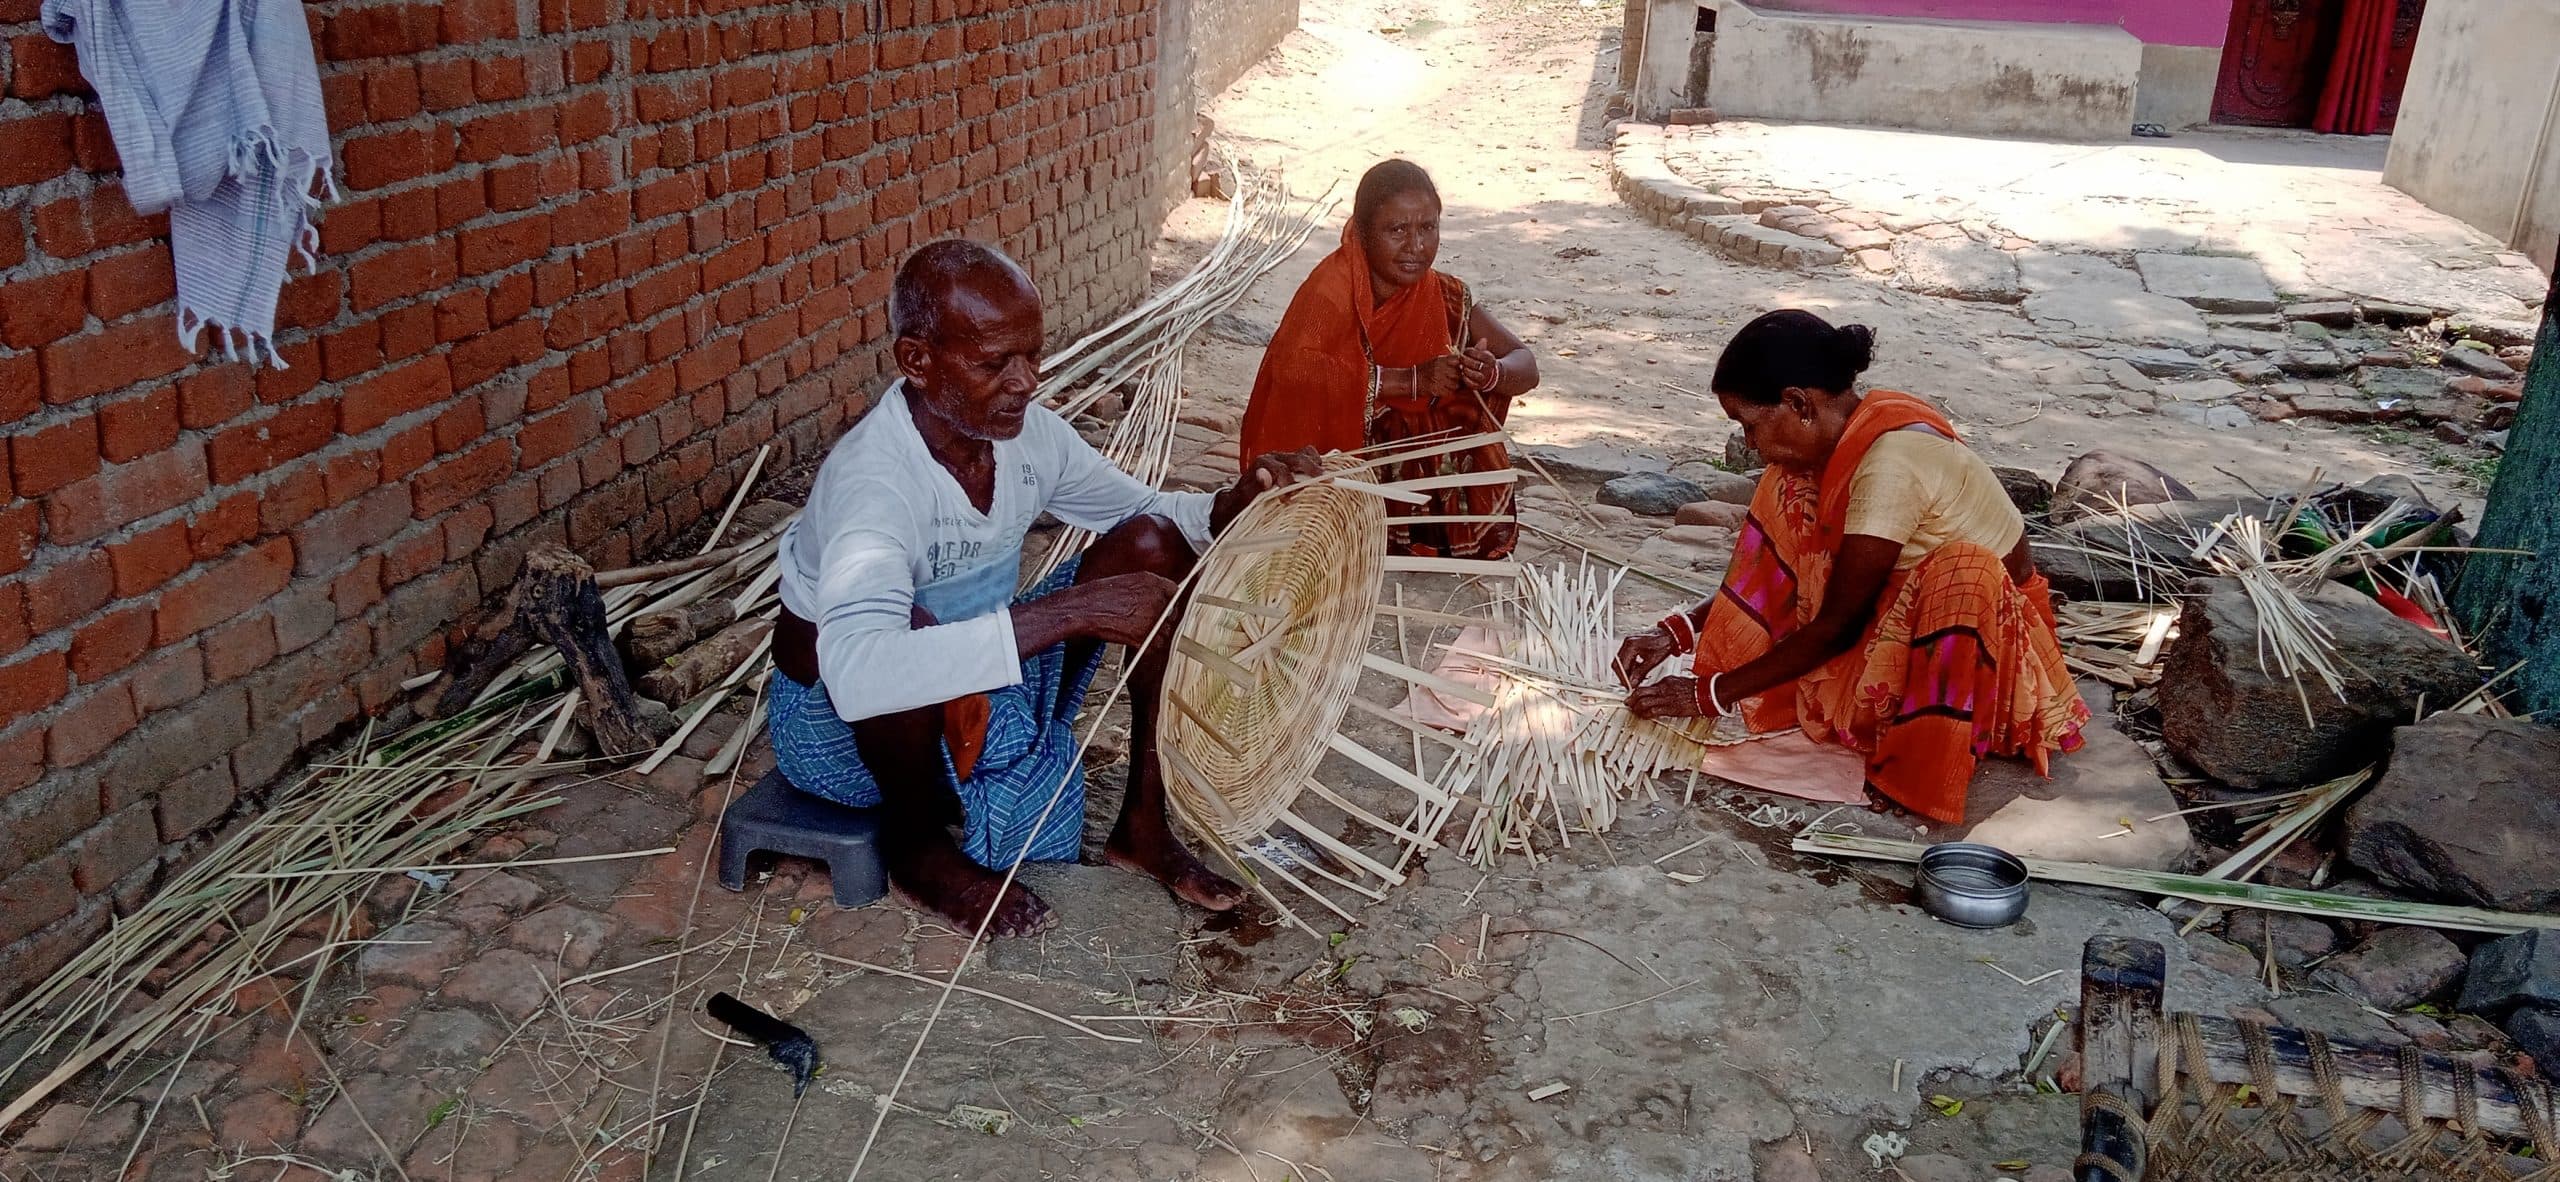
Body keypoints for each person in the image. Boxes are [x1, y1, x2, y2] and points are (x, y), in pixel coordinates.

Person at [770, 240, 1320, 936]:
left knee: (1152, 543)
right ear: (917, 361)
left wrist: (1230, 503)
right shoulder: (874, 485)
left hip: (974, 684)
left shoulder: (1031, 441)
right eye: (995, 362)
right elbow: (859, 676)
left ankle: (1144, 826)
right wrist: (1074, 611)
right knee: (905, 628)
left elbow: (1148, 513)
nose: (1026, 381)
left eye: (1033, 354)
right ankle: (919, 847)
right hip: (845, 732)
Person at [1615, 310, 2088, 824]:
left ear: (1799, 403)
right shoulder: (1856, 428)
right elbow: (1805, 578)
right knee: (1788, 484)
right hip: (1899, 610)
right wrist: (1678, 631)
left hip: (1986, 657)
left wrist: (1710, 695)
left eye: (1750, 425)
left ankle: (1924, 760)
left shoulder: (1890, 462)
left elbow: (1838, 625)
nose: (1750, 443)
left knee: (1963, 572)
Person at [1238, 159, 1539, 559]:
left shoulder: (1442, 294)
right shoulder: (1330, 290)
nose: (1416, 246)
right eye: (1397, 230)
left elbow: (1526, 365)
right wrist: (1409, 381)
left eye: (1427, 228)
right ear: (1362, 232)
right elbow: (1294, 369)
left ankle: (1430, 532)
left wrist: (1489, 373)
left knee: (1462, 411)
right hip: (1331, 463)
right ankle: (1351, 524)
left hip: (1401, 477)